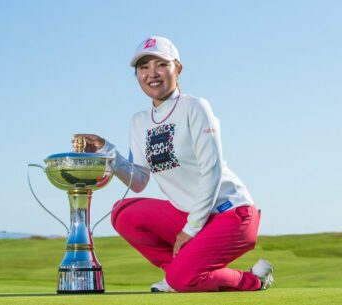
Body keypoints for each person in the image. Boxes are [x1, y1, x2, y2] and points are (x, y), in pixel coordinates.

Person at [73, 36, 273, 292]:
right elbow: (138, 181)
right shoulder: (139, 121)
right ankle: (179, 273)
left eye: (160, 64)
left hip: (230, 214)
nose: (152, 74)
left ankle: (253, 280)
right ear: (137, 75)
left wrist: (191, 229)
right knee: (123, 213)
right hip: (187, 213)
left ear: (177, 69)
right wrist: (106, 151)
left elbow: (211, 172)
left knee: (183, 279)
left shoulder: (195, 107)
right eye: (143, 67)